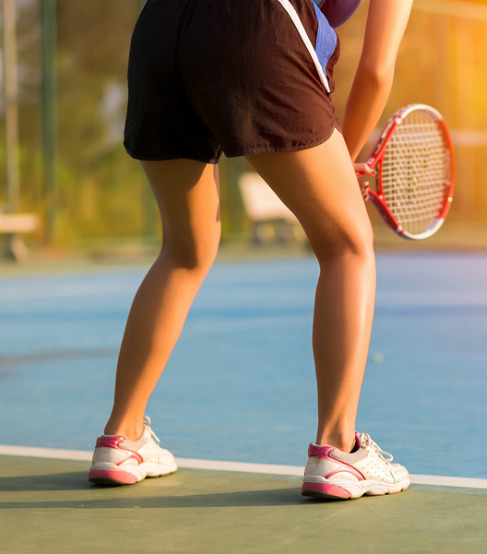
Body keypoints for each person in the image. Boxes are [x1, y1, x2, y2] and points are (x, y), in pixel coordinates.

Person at [86, 0, 413, 500]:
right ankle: (338, 450)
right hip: (253, 25)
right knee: (347, 245)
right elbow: (375, 70)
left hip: (160, 29)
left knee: (185, 250)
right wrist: (344, 165)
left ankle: (121, 435)